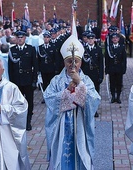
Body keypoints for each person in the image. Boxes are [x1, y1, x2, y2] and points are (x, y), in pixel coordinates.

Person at [44, 35, 101, 170]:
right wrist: (67, 92)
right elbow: (48, 98)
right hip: (61, 125)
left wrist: (80, 85)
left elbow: (94, 100)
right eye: (69, 61)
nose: (73, 65)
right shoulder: (57, 80)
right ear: (64, 61)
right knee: (61, 157)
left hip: (80, 123)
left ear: (81, 62)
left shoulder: (86, 80)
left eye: (76, 61)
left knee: (81, 155)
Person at [0, 56, 30, 169]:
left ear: (3, 70)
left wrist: (3, 109)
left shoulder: (11, 88)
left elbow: (22, 108)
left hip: (5, 134)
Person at [8, 30, 38, 131]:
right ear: (16, 39)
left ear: (25, 38)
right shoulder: (12, 50)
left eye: (22, 37)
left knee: (29, 102)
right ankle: (19, 121)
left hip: (28, 80)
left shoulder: (30, 49)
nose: (20, 39)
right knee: (17, 102)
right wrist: (11, 82)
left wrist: (34, 80)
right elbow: (10, 68)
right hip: (17, 81)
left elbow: (35, 66)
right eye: (18, 37)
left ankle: (28, 121)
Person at [81, 32, 104, 117]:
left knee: (95, 93)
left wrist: (101, 76)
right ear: (87, 40)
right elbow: (82, 64)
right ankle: (87, 109)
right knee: (86, 92)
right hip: (86, 74)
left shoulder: (98, 49)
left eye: (92, 39)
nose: (90, 40)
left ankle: (94, 109)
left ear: (94, 39)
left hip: (95, 74)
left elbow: (101, 64)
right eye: (89, 39)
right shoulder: (83, 49)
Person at [105, 33, 127, 104]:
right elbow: (107, 59)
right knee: (112, 83)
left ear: (118, 39)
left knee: (119, 83)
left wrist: (124, 69)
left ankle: (118, 97)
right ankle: (113, 97)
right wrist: (107, 68)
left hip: (119, 68)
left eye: (116, 38)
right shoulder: (109, 48)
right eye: (113, 38)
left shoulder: (122, 47)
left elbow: (124, 59)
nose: (115, 39)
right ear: (111, 39)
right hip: (111, 68)